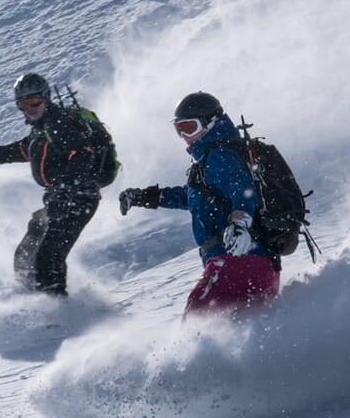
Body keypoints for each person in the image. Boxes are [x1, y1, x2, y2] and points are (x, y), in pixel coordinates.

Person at [118, 91, 279, 316]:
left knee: (196, 319)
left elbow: (243, 191)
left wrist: (240, 224)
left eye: (189, 128)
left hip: (234, 261)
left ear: (211, 123)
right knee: (233, 331)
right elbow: (191, 197)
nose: (185, 136)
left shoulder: (219, 156)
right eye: (179, 130)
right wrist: (144, 197)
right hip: (256, 265)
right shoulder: (209, 162)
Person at [0, 73, 102, 296]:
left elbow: (82, 154)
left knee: (47, 258)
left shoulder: (59, 123)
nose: (28, 108)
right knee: (25, 254)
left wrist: (66, 190)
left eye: (33, 101)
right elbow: (25, 149)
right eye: (22, 103)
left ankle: (57, 314)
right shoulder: (43, 128)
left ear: (46, 98)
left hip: (78, 201)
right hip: (58, 202)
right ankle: (32, 299)